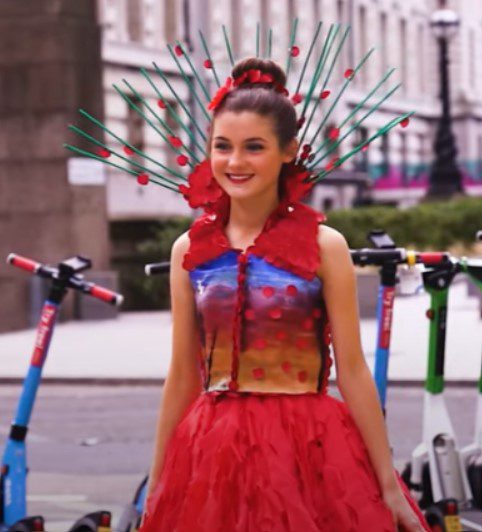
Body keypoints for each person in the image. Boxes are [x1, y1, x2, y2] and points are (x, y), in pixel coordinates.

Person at [138, 57, 429, 532]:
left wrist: (388, 483)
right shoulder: (189, 249)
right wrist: (159, 482)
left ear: (288, 150)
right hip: (212, 450)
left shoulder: (324, 246)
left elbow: (353, 370)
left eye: (254, 147)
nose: (235, 162)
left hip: (309, 447)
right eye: (222, 146)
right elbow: (182, 373)